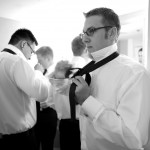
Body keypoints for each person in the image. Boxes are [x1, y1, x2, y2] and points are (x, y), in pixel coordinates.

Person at [72, 7, 150, 150]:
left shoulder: (135, 74)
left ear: (112, 33)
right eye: (84, 33)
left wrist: (87, 101)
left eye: (91, 31)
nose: (84, 39)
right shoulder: (90, 70)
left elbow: (133, 138)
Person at [0, 28, 50, 150]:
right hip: (21, 140)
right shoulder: (17, 61)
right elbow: (42, 93)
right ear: (24, 44)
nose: (30, 57)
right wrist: (38, 72)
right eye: (32, 51)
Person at [34, 46, 58, 150]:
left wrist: (49, 102)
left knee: (47, 144)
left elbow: (60, 94)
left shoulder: (58, 72)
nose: (38, 63)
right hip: (37, 113)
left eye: (39, 60)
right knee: (35, 142)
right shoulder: (41, 72)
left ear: (48, 58)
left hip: (49, 113)